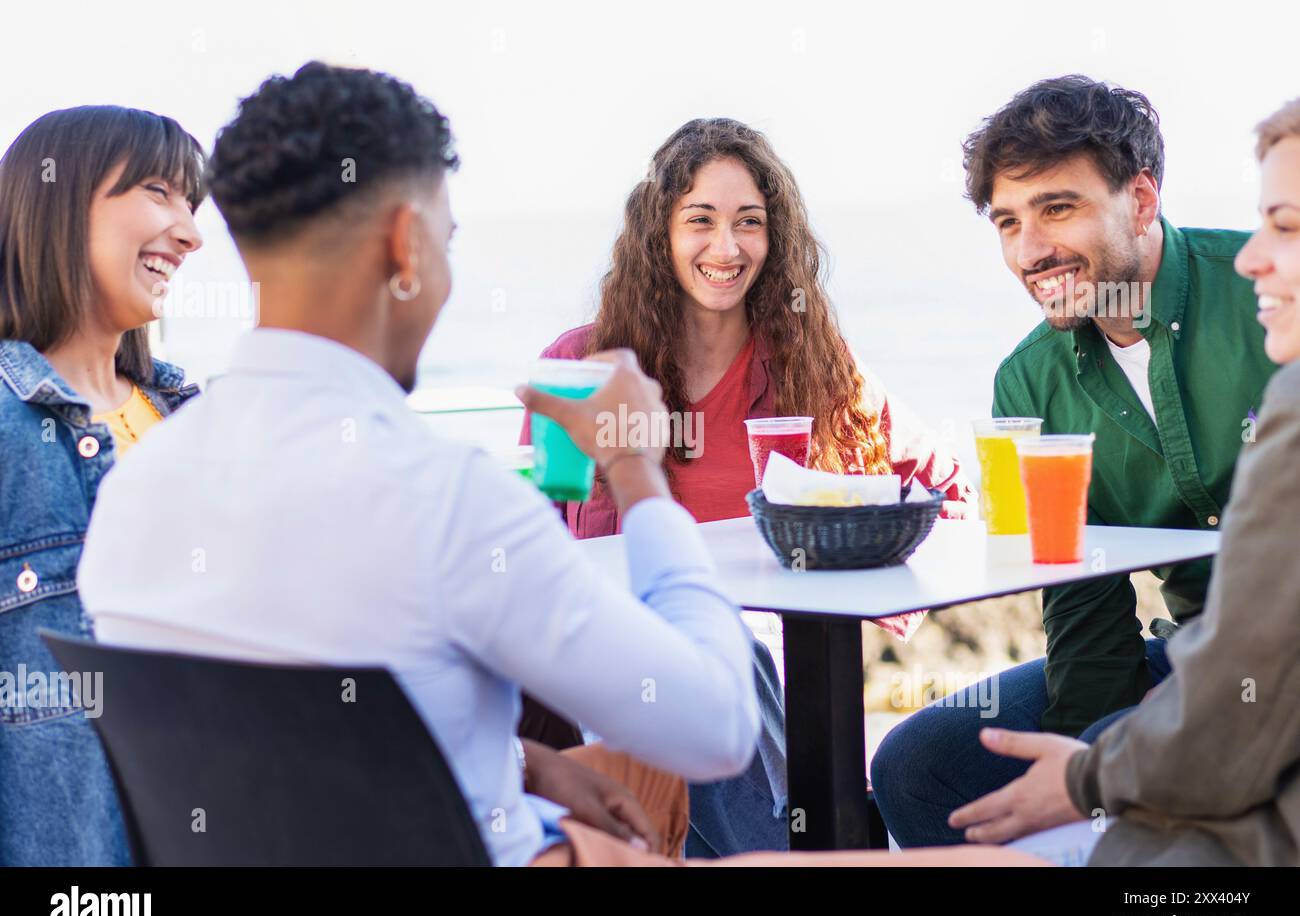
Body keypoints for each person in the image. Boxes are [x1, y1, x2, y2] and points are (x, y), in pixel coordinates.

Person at [77, 61, 1036, 867]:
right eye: (446, 242)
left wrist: (526, 767)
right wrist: (638, 476)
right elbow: (711, 725)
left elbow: (309, 737)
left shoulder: (132, 497)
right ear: (407, 247)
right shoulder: (445, 497)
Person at [518, 117, 975, 856]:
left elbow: (943, 492)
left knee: (729, 642)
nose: (725, 249)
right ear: (658, 232)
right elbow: (535, 552)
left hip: (773, 681)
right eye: (700, 221)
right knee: (692, 647)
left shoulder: (813, 366)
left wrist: (867, 595)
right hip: (624, 677)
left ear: (775, 237)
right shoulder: (584, 366)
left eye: (749, 224)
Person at [872, 75, 1278, 847]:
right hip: (1187, 657)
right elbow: (1082, 601)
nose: (1032, 251)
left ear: (1142, 201)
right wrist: (1086, 756)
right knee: (917, 766)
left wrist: (1109, 765)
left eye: (1058, 208)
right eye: (1007, 222)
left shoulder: (1267, 299)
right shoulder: (1028, 379)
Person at [0, 106, 205, 866]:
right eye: (159, 191)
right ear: (55, 204)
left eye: (193, 204)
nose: (190, 234)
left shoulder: (200, 421)